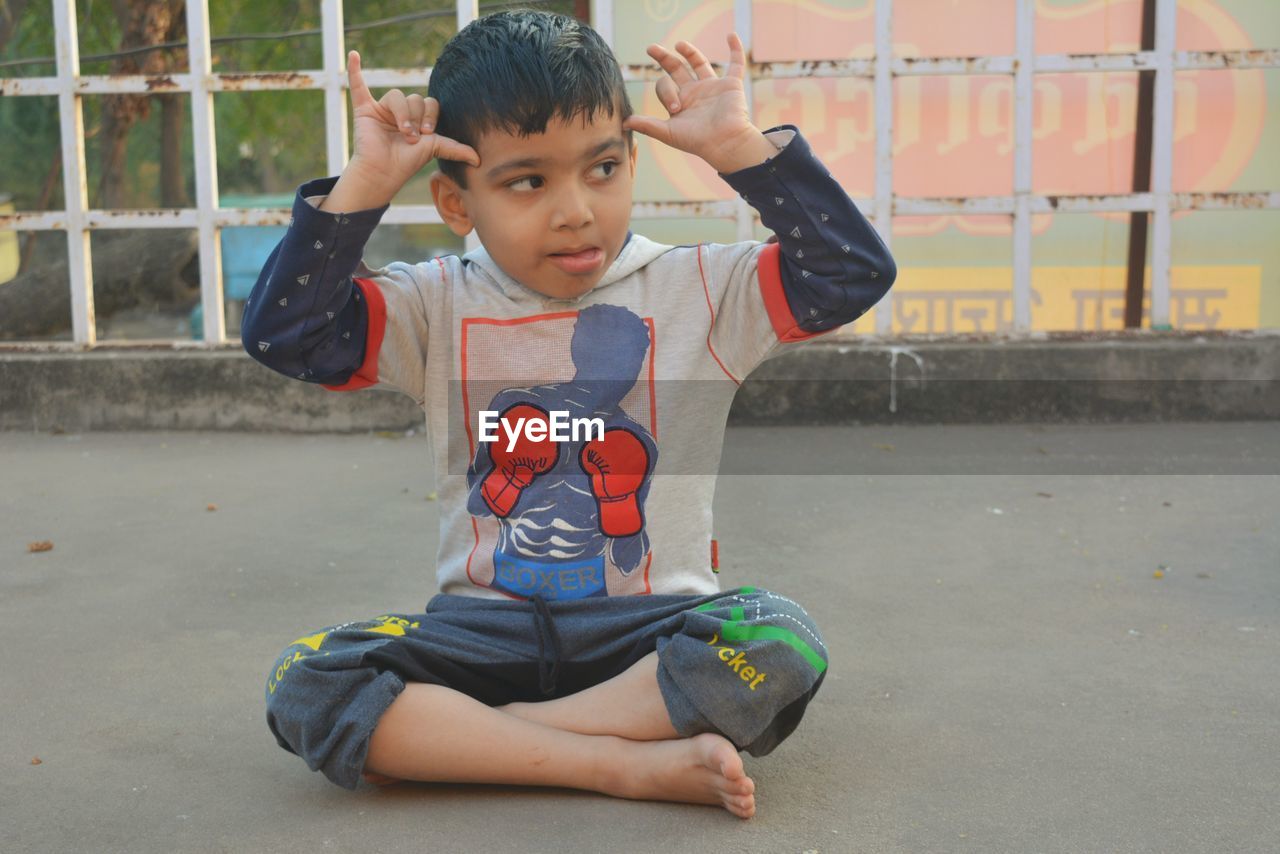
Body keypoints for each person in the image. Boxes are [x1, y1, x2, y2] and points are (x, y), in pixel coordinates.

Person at [242, 10, 895, 820]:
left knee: (779, 637)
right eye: (528, 181)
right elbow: (287, 335)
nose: (576, 210)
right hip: (482, 633)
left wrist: (743, 154)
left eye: (603, 168)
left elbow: (850, 276)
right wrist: (366, 186)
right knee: (308, 678)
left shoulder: (702, 292)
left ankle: (485, 744)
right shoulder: (434, 305)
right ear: (456, 201)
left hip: (650, 635)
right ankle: (616, 764)